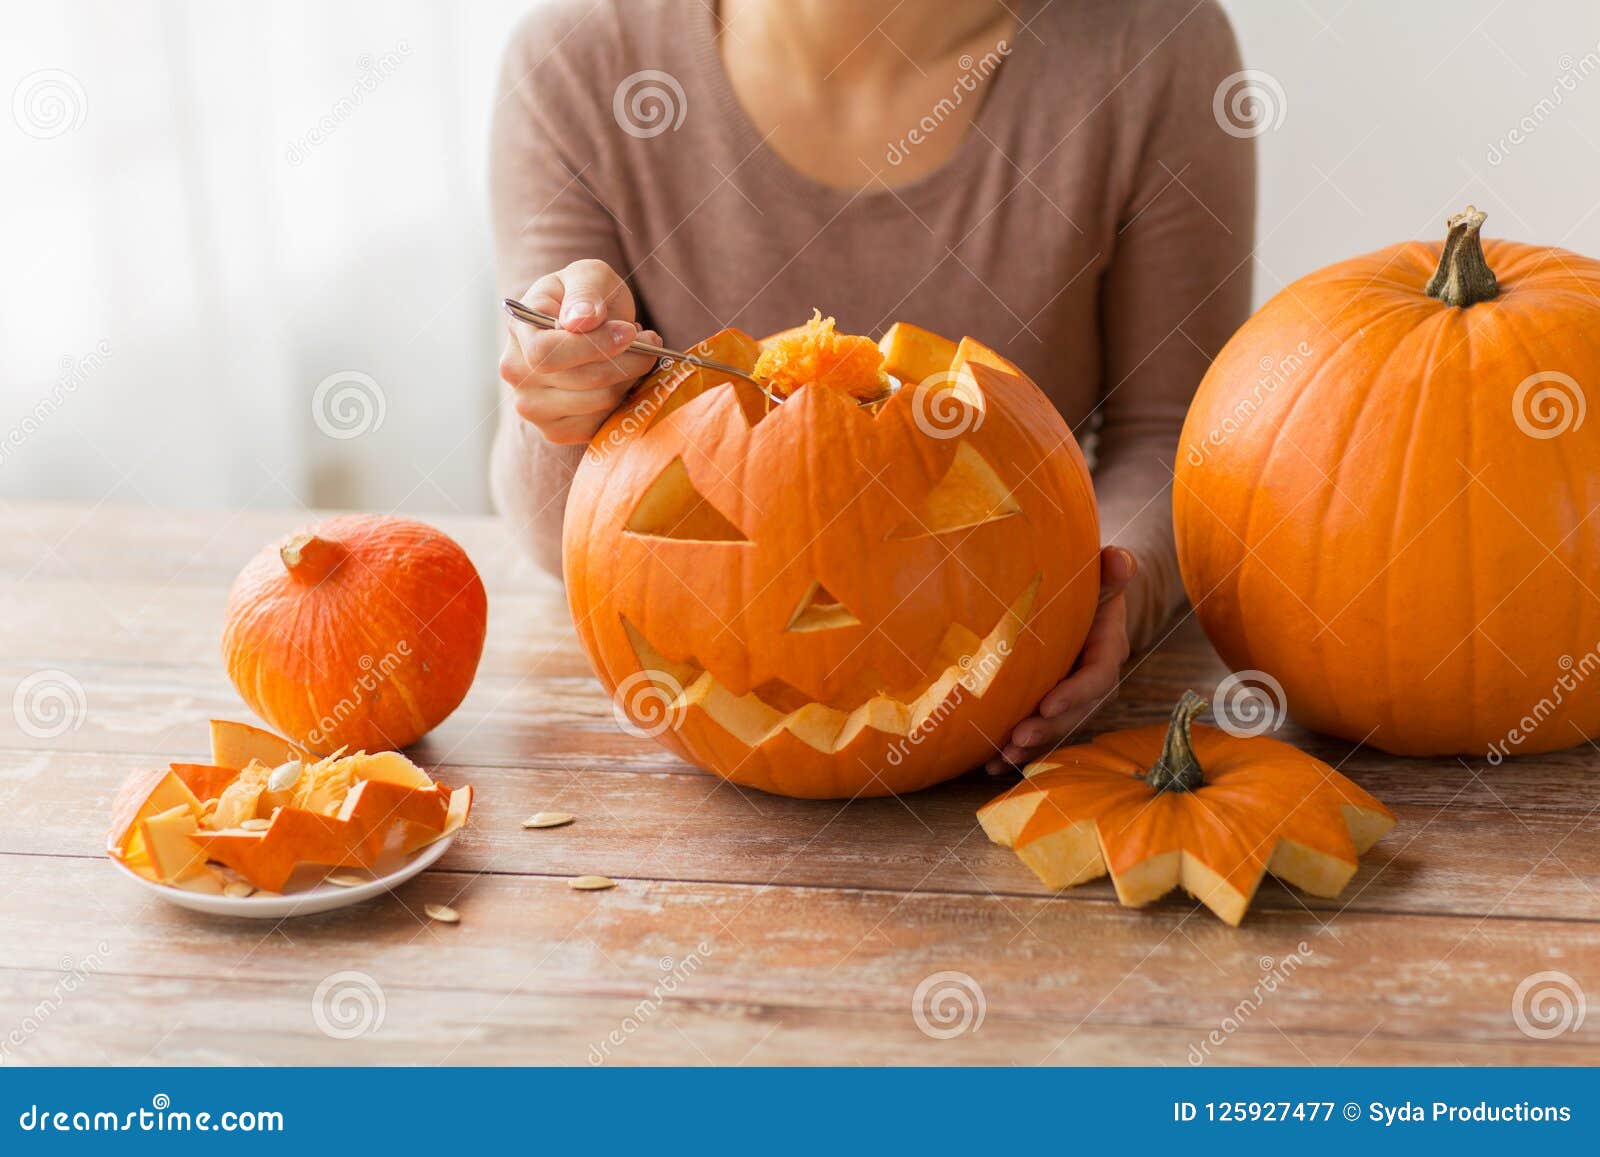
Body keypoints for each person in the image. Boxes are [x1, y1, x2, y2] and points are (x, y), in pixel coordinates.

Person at [491, 0, 1255, 773]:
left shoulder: (1158, 44)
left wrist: (1108, 595)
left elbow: (1178, 439)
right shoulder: (577, 62)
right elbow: (568, 527)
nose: (826, 604)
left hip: (1005, 659)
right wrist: (571, 393)